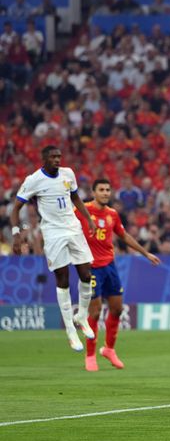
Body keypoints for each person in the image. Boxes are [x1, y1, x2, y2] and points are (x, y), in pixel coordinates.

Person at [11, 146, 97, 351]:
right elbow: (16, 208)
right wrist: (16, 234)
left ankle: (81, 316)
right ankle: (70, 330)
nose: (57, 159)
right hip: (53, 233)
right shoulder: (34, 180)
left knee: (86, 274)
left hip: (73, 228)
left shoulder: (68, 174)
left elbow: (75, 197)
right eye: (53, 157)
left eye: (59, 156)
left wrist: (87, 219)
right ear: (44, 158)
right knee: (63, 279)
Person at [75, 178, 161, 372]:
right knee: (95, 312)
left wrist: (145, 253)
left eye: (108, 189)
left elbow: (124, 236)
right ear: (93, 192)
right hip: (90, 267)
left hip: (110, 266)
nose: (105, 193)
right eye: (101, 190)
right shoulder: (82, 211)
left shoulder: (112, 214)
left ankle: (109, 349)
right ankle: (90, 355)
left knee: (117, 309)